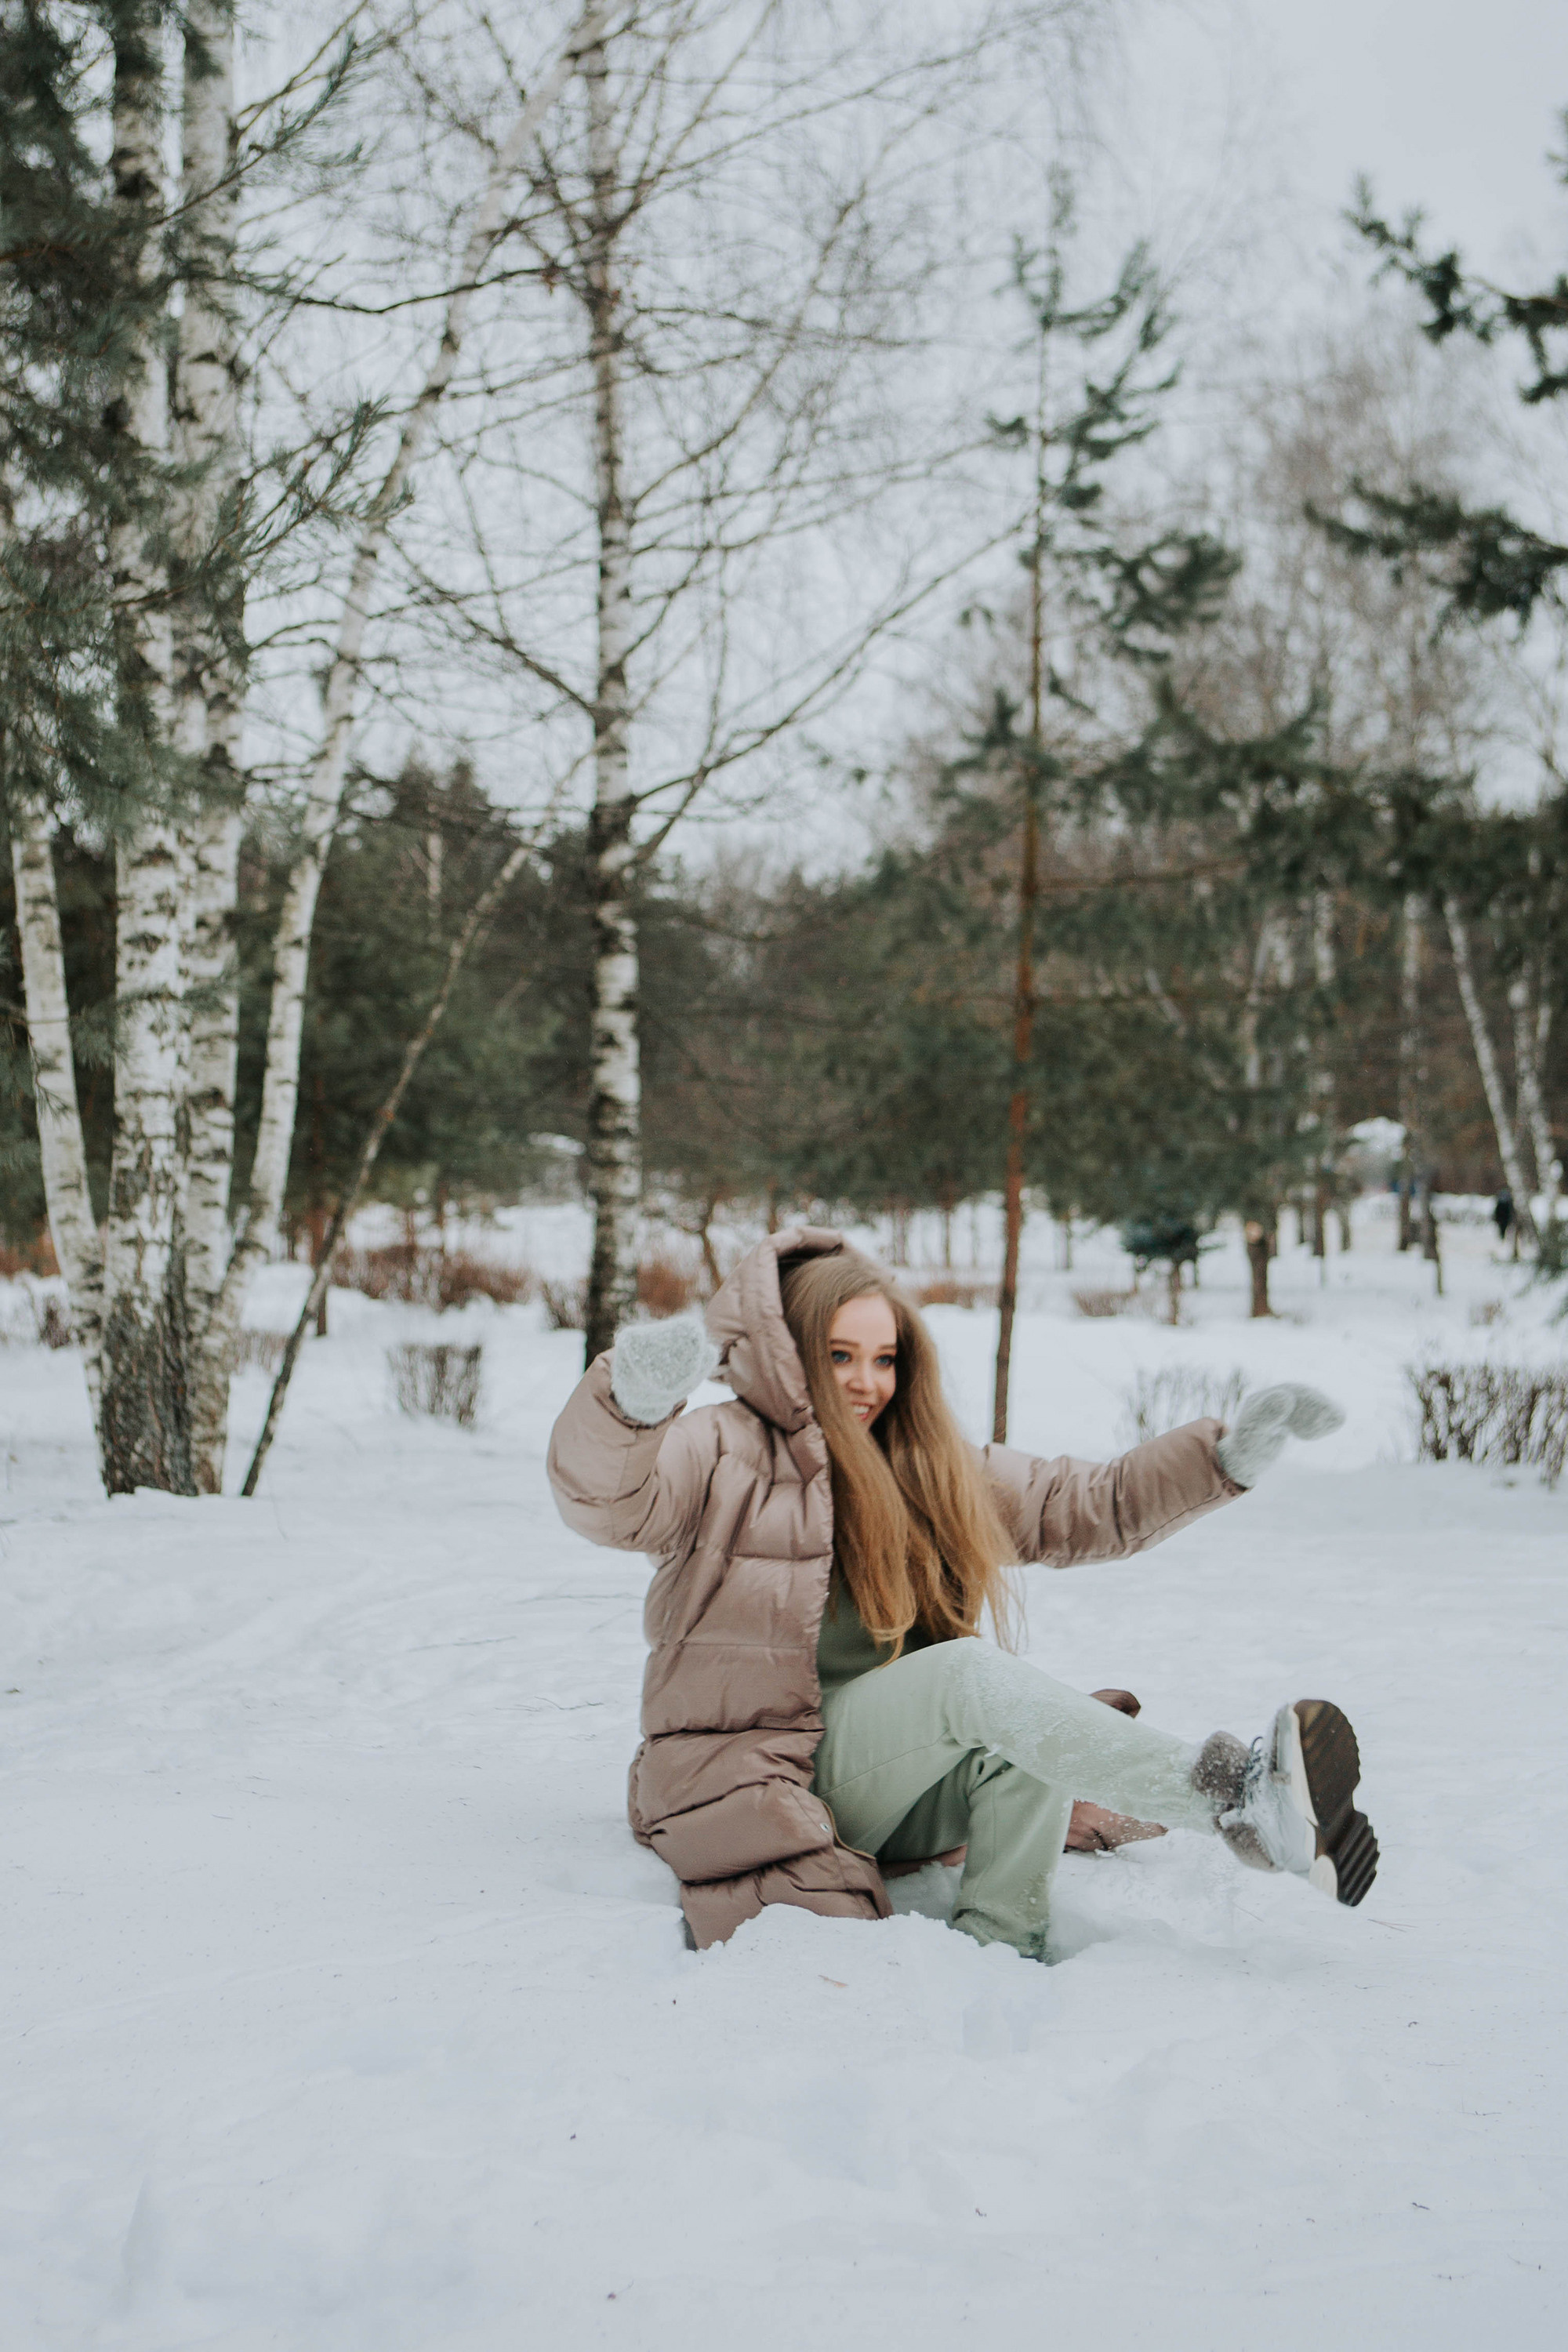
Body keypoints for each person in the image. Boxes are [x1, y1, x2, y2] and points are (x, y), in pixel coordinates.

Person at [547, 1228, 1377, 1957]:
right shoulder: (721, 1450)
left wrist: (1226, 1458)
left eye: (882, 1358)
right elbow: (607, 1501)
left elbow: (1084, 1505)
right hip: (752, 1780)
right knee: (968, 1677)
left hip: (884, 1789)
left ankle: (1002, 1945)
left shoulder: (926, 1465)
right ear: (785, 1352)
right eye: (837, 1356)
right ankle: (1232, 1798)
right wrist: (629, 1406)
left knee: (1026, 1730)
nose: (865, 1382)